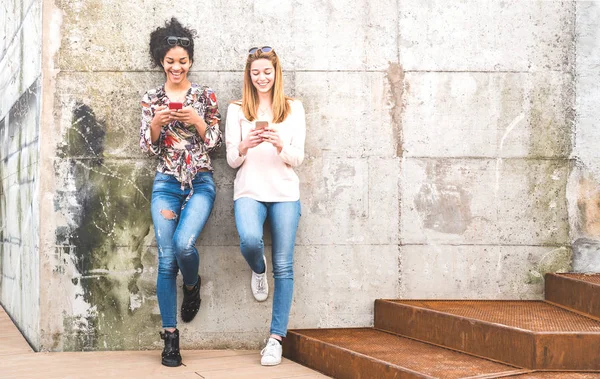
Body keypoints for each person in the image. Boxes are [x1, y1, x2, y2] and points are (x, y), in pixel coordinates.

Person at [139, 17, 222, 367]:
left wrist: (199, 122)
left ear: (190, 61)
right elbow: (148, 147)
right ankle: (171, 338)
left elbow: (215, 142)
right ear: (161, 61)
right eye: (170, 61)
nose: (177, 67)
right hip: (166, 186)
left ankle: (192, 284)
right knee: (165, 258)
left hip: (200, 182)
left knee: (184, 245)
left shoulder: (205, 96)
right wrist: (156, 126)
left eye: (183, 60)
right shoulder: (151, 98)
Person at [225, 46, 306, 366]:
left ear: (276, 73)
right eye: (256, 72)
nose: (261, 77)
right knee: (249, 240)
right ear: (249, 75)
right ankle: (258, 269)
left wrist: (279, 144)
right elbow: (232, 159)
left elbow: (297, 158)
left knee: (284, 267)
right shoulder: (236, 109)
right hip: (249, 190)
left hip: (285, 193)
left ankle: (275, 339)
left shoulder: (293, 108)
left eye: (267, 72)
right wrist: (244, 145)